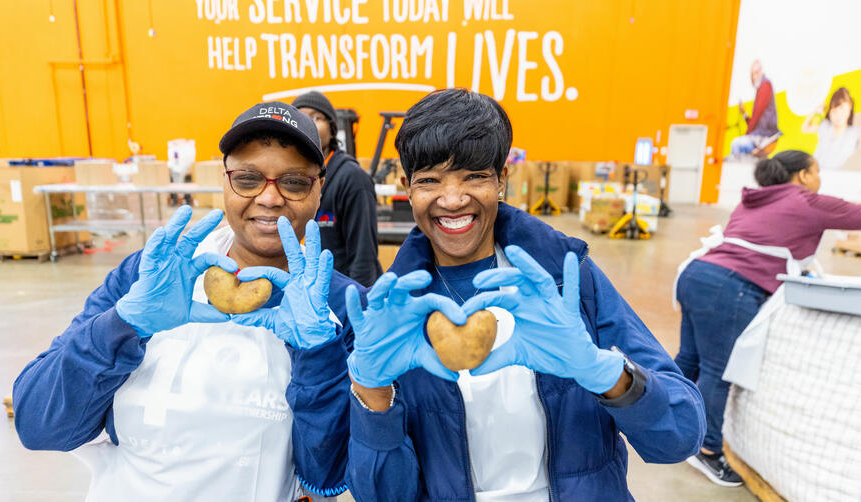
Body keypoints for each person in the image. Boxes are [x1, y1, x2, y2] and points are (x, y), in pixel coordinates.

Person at [342, 89, 706, 501]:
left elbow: (680, 436)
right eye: (429, 180)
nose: (453, 199)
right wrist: (372, 393)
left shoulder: (567, 279)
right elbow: (385, 494)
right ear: (406, 187)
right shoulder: (392, 313)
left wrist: (605, 374)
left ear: (501, 180)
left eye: (474, 176)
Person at [12, 102, 363, 501]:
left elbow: (327, 476)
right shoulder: (148, 276)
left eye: (295, 182)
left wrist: (318, 354)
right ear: (224, 181)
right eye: (247, 179)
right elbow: (39, 424)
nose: (269, 198)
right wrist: (124, 325)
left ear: (319, 188)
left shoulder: (339, 306)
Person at [675, 150, 861, 486]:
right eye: (817, 172)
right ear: (803, 175)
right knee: (717, 371)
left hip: (696, 275)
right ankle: (706, 450)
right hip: (731, 287)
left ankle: (669, 427)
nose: (820, 180)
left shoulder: (752, 200)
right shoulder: (807, 200)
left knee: (690, 360)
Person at [292, 91, 382, 287]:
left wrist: (359, 303)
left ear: (332, 129)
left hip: (341, 295)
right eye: (300, 117)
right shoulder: (289, 178)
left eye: (316, 117)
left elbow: (363, 255)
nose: (308, 123)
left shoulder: (353, 178)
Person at [801, 87, 861, 170]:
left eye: (842, 110)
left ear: (849, 108)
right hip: (816, 169)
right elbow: (805, 128)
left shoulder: (853, 133)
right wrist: (814, 111)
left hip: (836, 174)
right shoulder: (825, 126)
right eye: (835, 111)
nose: (838, 115)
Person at [730, 60, 781, 157]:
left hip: (765, 137)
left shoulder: (765, 86)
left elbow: (757, 115)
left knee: (736, 144)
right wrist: (744, 113)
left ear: (761, 71)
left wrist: (747, 134)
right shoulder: (761, 88)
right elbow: (754, 122)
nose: (754, 77)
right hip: (760, 135)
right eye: (752, 74)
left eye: (756, 73)